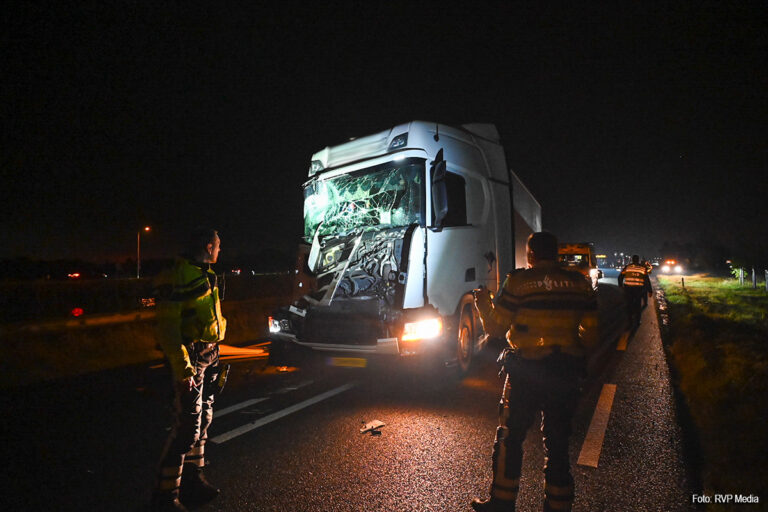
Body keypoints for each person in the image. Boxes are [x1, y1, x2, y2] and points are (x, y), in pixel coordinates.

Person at [471, 232, 599, 512]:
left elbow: (495, 328)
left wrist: (482, 303)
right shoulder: (579, 283)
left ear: (530, 255)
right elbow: (591, 332)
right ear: (556, 254)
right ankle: (558, 506)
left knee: (510, 436)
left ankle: (501, 503)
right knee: (557, 443)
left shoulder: (518, 282)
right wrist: (573, 352)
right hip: (565, 372)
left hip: (525, 372)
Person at [150, 228, 226, 511]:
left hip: (208, 353)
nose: (220, 250)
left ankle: (193, 482)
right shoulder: (179, 276)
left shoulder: (203, 273)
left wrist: (215, 356)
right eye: (218, 245)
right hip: (190, 357)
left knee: (204, 419)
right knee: (186, 429)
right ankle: (164, 497)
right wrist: (184, 370)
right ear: (208, 246)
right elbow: (168, 329)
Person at [618, 255, 652, 328]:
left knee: (629, 305)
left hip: (628, 289)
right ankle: (638, 321)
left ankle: (629, 322)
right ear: (638, 260)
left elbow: (620, 277)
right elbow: (647, 280)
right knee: (638, 305)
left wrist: (620, 286)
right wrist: (650, 291)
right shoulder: (642, 268)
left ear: (632, 260)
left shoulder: (627, 267)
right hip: (638, 289)